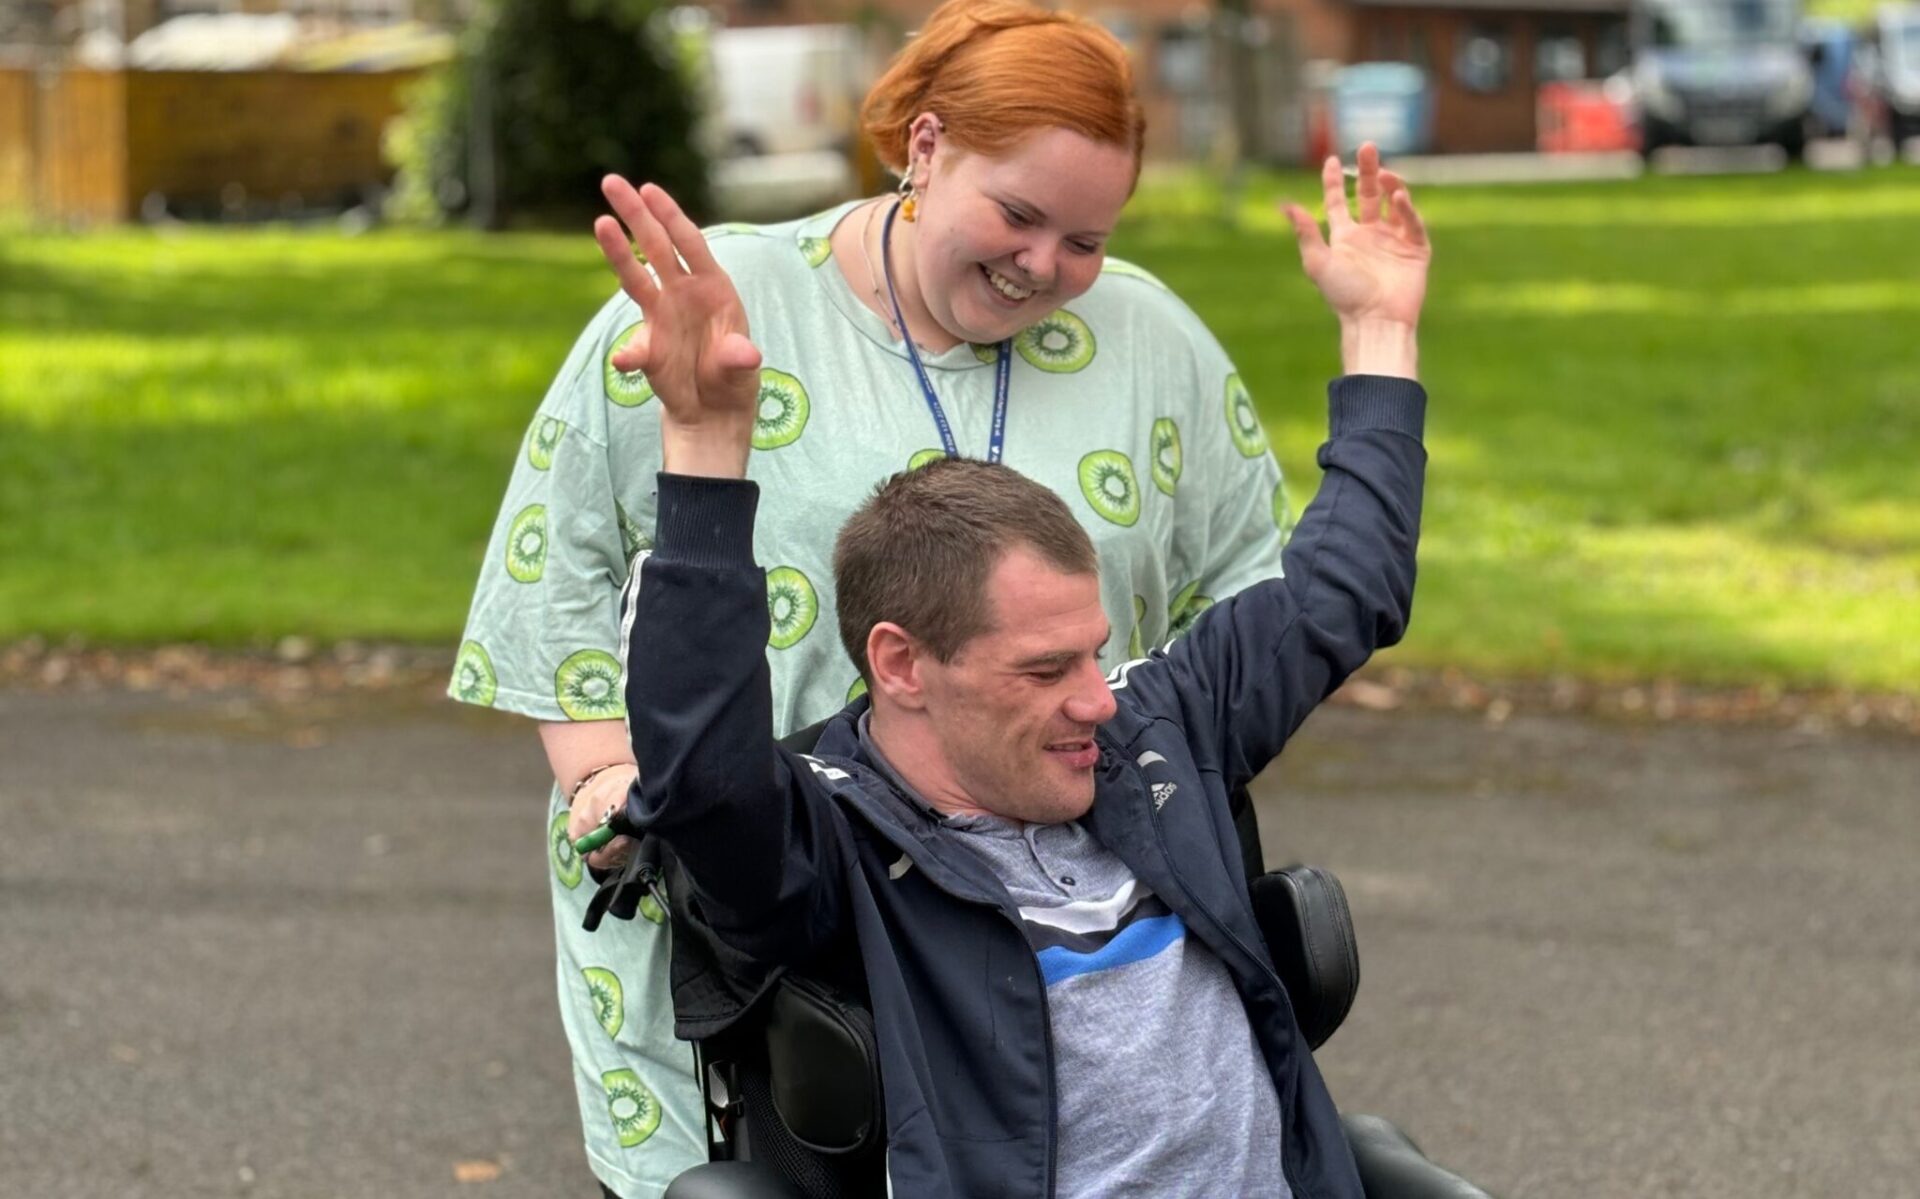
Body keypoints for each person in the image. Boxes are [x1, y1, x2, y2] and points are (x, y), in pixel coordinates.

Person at [448, 1, 1417, 1191]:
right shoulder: (720, 310)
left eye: (1085, 239)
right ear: (923, 146)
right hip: (801, 882)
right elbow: (584, 606)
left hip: (1079, 830)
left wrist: (1379, 329)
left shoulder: (1147, 714)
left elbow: (1317, 593)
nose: (1043, 264)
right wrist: (619, 771)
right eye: (1017, 214)